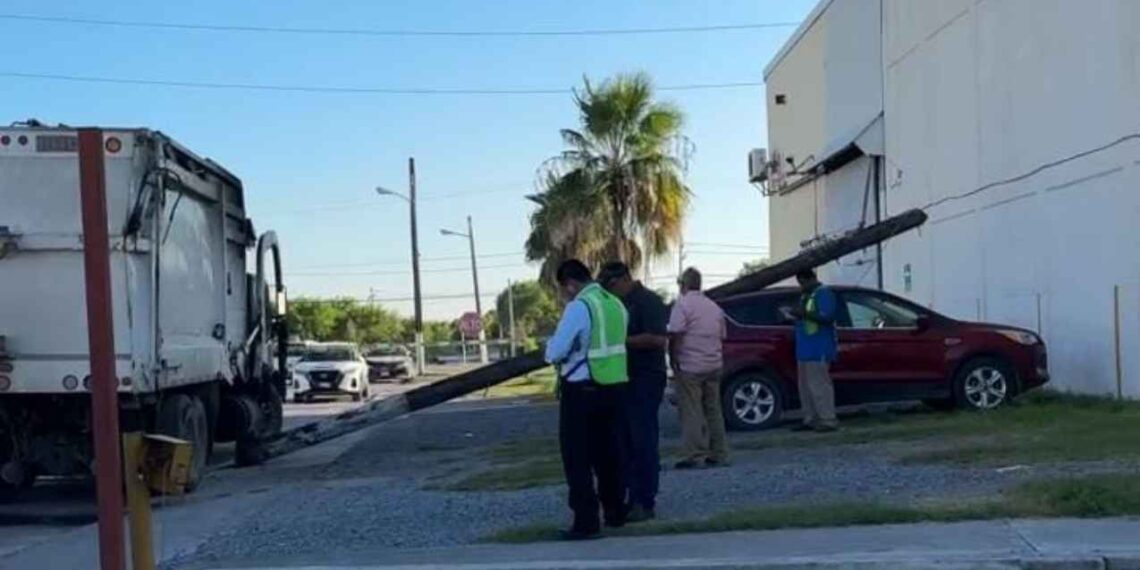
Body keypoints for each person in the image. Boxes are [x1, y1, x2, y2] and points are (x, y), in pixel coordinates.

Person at [544, 259, 630, 540]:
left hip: (581, 389)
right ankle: (615, 512)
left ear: (569, 284)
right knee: (609, 454)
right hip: (615, 386)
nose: (563, 294)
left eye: (562, 289)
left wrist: (550, 348)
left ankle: (586, 521)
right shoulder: (614, 304)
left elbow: (555, 351)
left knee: (577, 458)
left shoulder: (580, 307)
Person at [598, 261, 668, 523]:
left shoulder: (648, 301)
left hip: (646, 377)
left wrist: (621, 341)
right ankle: (630, 497)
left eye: (613, 285)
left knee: (643, 440)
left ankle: (645, 500)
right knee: (624, 442)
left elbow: (659, 339)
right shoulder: (617, 304)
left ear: (626, 278)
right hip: (624, 378)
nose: (611, 291)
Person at [667, 267, 729, 469]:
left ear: (683, 285)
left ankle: (694, 454)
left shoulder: (683, 305)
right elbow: (723, 335)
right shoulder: (713, 307)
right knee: (714, 409)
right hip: (714, 363)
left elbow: (675, 332)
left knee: (691, 410)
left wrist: (673, 358)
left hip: (690, 365)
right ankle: (719, 452)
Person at [788, 268, 840, 432]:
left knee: (819, 385)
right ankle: (810, 418)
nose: (801, 286)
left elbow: (827, 317)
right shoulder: (806, 296)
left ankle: (828, 419)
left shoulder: (824, 294)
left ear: (811, 279)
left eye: (803, 282)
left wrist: (803, 313)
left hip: (819, 348)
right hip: (804, 348)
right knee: (805, 387)